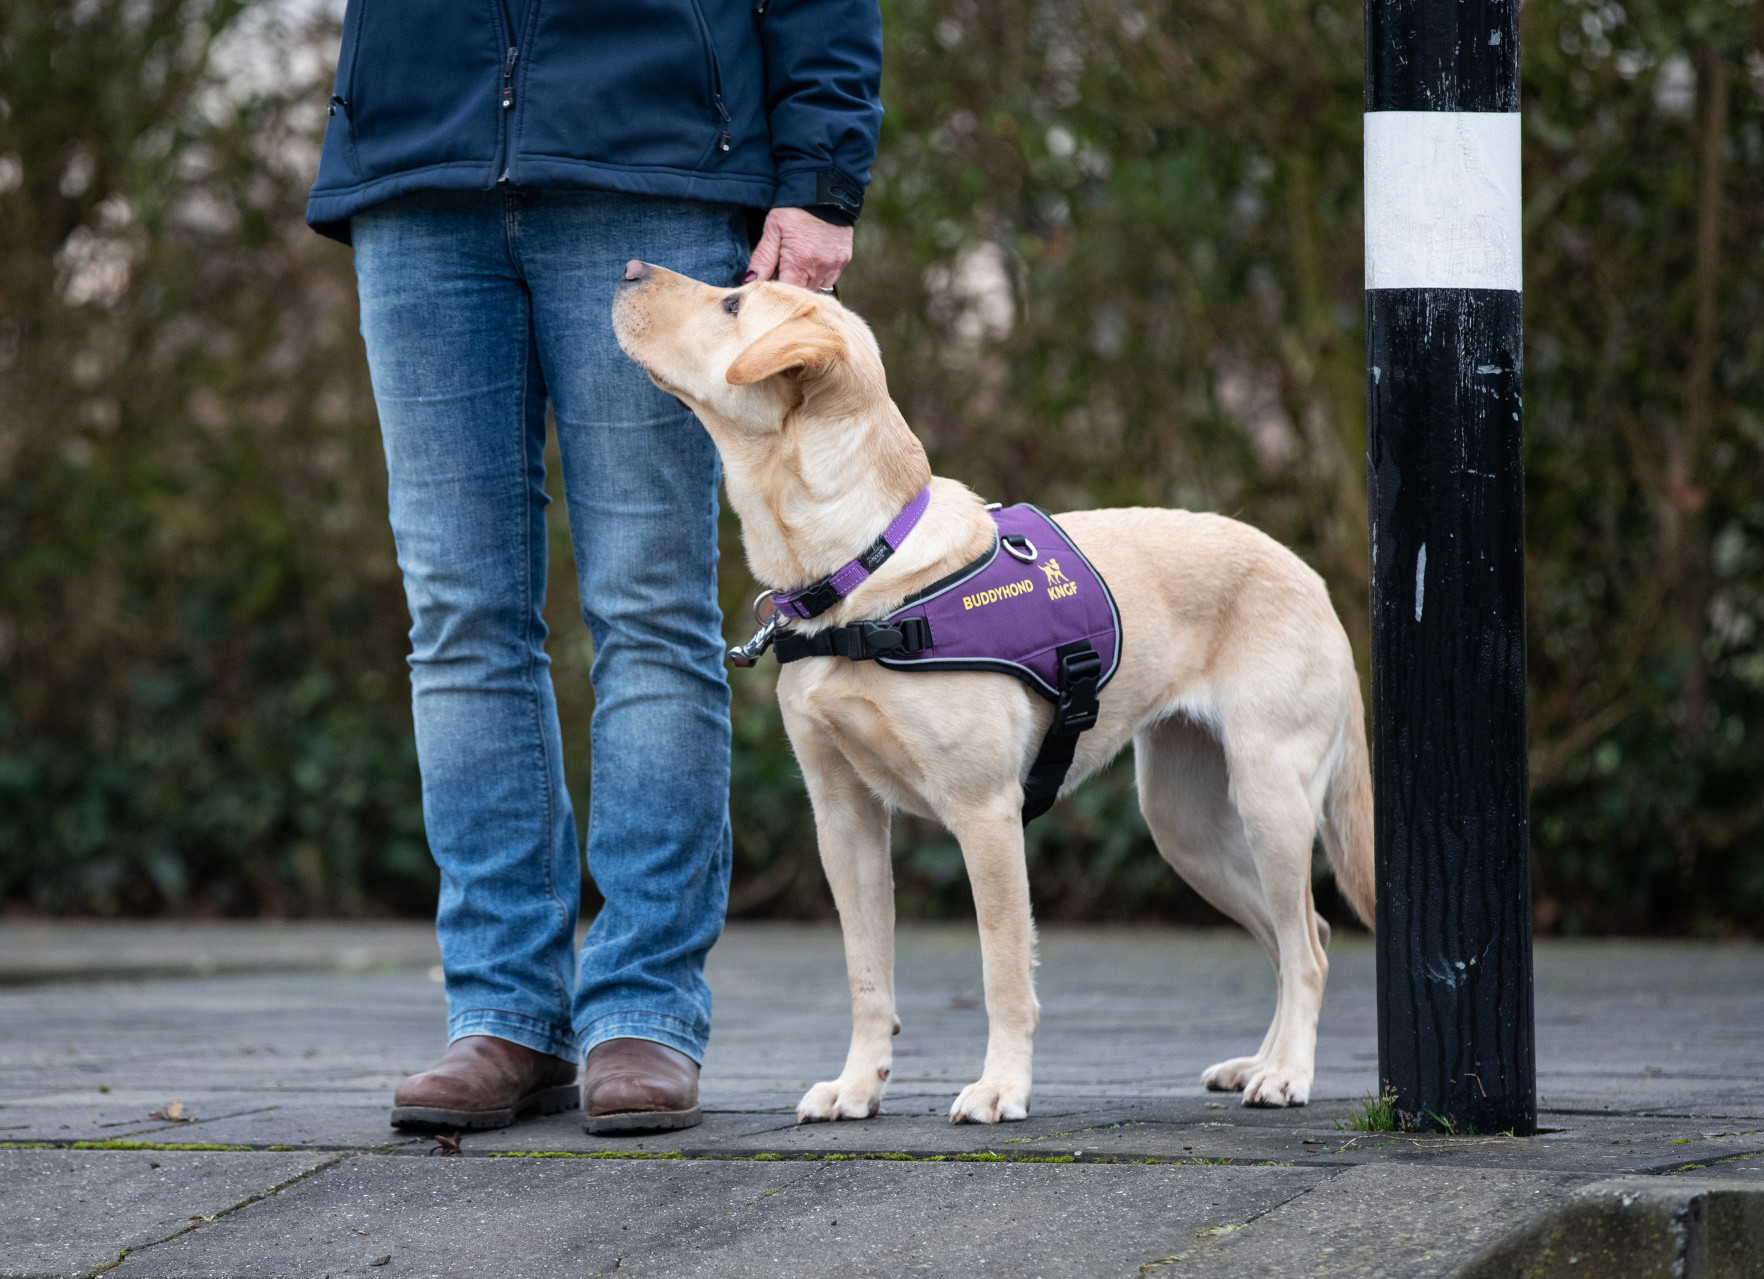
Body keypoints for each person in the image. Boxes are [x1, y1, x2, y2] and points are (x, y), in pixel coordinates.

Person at [305, 0, 883, 1135]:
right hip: (418, 163)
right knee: (460, 619)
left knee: (652, 611)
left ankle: (644, 1012)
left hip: (655, 159)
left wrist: (818, 173)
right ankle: (504, 1013)